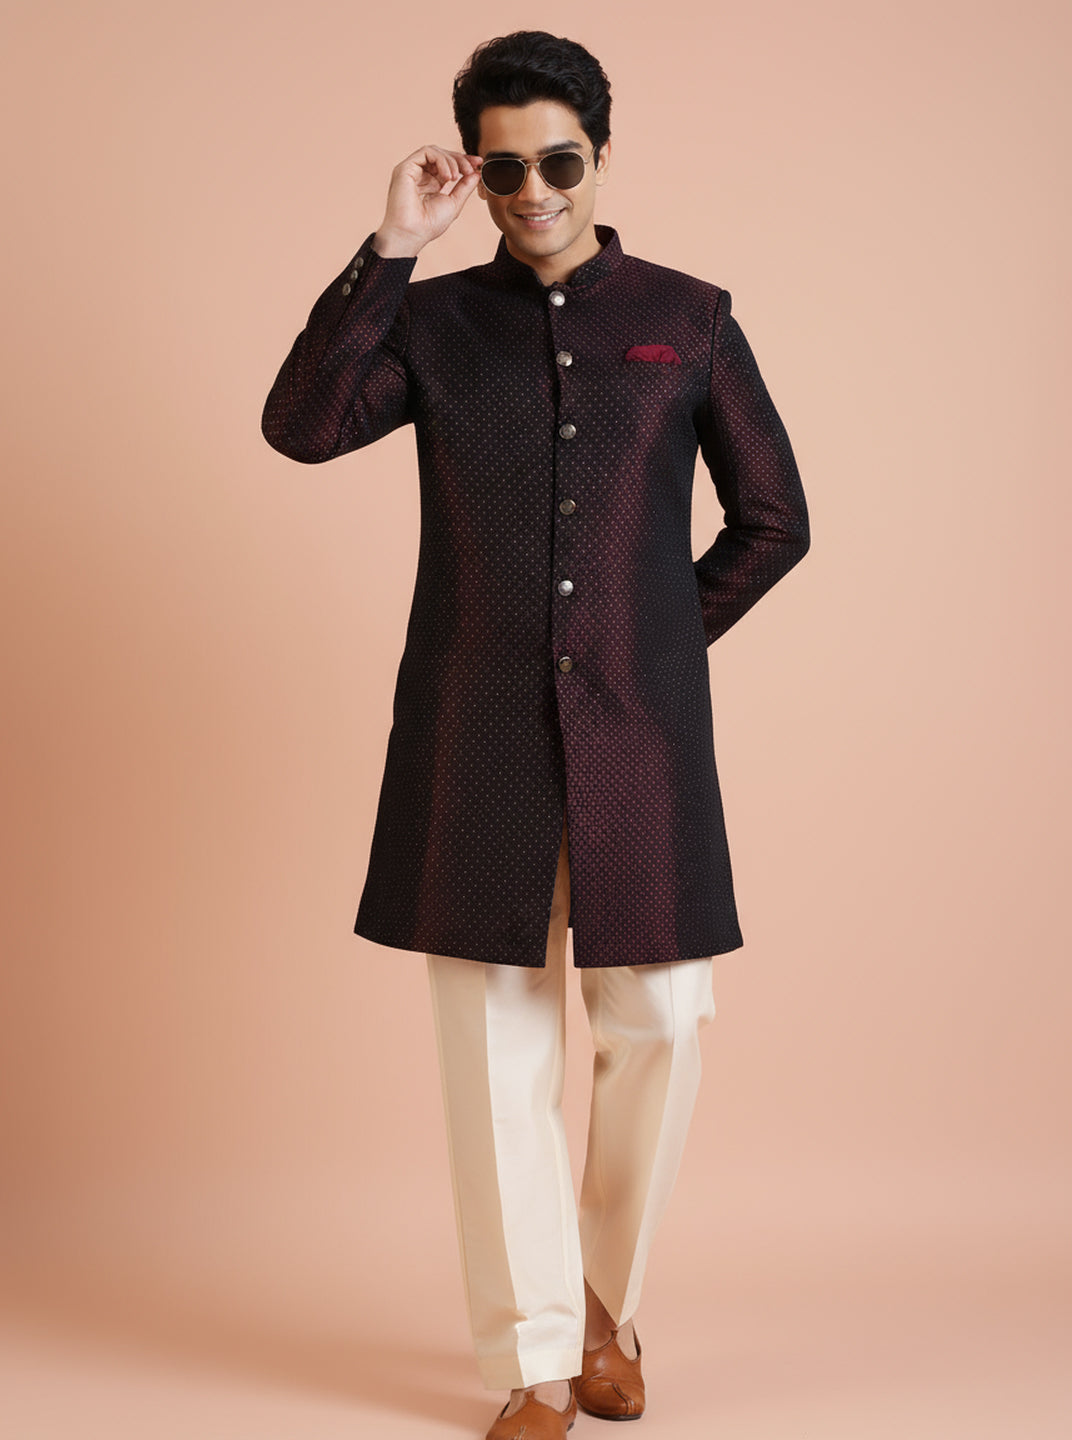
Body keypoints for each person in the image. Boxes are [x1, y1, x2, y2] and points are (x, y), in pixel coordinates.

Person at [262, 29, 809, 1440]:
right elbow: (302, 427)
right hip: (475, 737)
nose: (534, 192)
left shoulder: (688, 317)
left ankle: (606, 1304)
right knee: (495, 1057)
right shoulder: (435, 323)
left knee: (663, 1024)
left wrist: (654, 644)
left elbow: (774, 520)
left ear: (600, 157)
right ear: (477, 174)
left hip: (640, 738)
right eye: (503, 171)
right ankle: (538, 1362)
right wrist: (392, 248)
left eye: (558, 162)